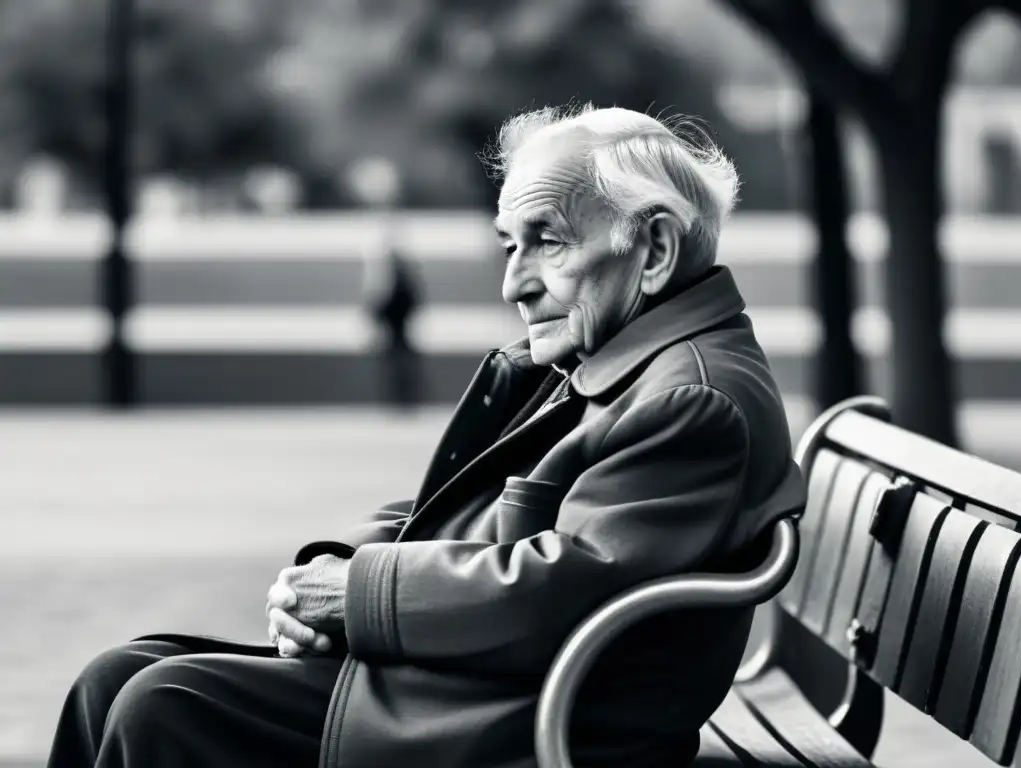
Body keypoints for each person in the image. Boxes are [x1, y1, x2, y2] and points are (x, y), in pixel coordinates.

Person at [47, 103, 805, 768]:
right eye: (511, 243)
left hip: (524, 722)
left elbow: (560, 592)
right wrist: (336, 569)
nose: (515, 283)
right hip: (477, 685)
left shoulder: (694, 399)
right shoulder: (616, 358)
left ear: (656, 250)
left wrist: (356, 597)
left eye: (548, 241)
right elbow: (458, 511)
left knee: (161, 705)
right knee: (115, 678)